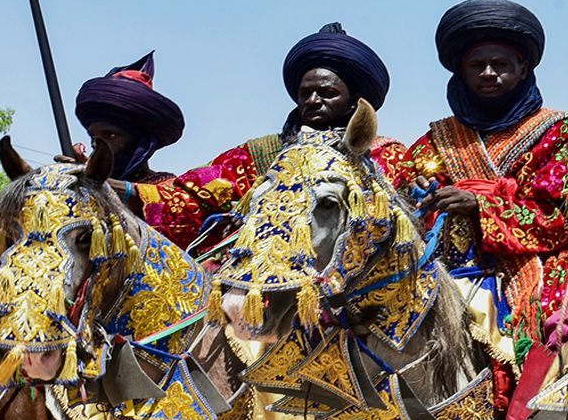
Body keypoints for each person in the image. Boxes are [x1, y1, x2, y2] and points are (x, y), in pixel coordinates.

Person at [408, 0, 568, 358]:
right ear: (460, 72)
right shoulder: (436, 138)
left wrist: (480, 205)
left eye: (500, 64)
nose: (488, 73)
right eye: (476, 65)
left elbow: (563, 219)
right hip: (445, 266)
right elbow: (404, 205)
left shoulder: (559, 132)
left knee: (566, 328)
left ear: (524, 68)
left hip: (532, 267)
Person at [131, 23, 414, 250]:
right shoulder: (259, 154)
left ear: (354, 101)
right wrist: (109, 186)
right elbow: (189, 197)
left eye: (327, 93)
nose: (313, 101)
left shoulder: (384, 155)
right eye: (305, 93)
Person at [72, 52, 186, 183]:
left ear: (141, 142)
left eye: (111, 135)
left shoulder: (164, 189)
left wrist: (104, 182)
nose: (94, 144)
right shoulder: (82, 182)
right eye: (93, 137)